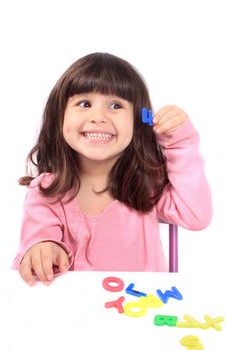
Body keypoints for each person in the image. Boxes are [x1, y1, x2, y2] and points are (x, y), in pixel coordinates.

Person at [12, 52, 212, 286]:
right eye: (84, 104)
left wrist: (180, 142)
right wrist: (42, 248)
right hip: (72, 317)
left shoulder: (145, 185)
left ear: (140, 122)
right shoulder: (47, 191)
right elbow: (35, 244)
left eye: (116, 105)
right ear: (60, 116)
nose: (98, 117)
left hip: (140, 314)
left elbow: (196, 215)